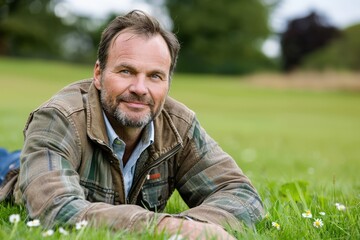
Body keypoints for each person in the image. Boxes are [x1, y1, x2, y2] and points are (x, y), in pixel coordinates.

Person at [0, 10, 263, 239]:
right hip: (11, 170)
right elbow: (57, 209)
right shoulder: (58, 119)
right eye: (126, 71)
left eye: (155, 76)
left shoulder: (178, 125)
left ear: (168, 82)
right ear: (99, 74)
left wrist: (191, 227)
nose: (140, 88)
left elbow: (241, 194)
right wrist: (163, 227)